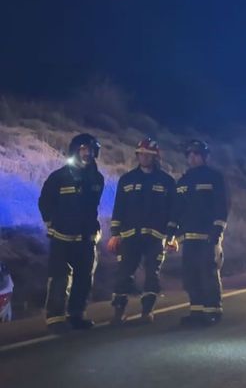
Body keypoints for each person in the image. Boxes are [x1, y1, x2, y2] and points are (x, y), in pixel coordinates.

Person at [38, 133, 105, 333]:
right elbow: (45, 202)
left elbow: (92, 206)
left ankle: (76, 315)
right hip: (62, 237)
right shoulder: (59, 177)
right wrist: (51, 222)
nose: (87, 153)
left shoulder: (97, 178)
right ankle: (55, 319)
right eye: (84, 149)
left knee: (84, 278)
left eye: (91, 150)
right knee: (59, 277)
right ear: (75, 150)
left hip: (86, 238)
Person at [107, 138, 176, 325]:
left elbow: (173, 211)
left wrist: (172, 236)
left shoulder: (167, 182)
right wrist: (115, 233)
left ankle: (147, 311)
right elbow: (118, 208)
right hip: (130, 236)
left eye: (149, 155)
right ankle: (118, 312)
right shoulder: (127, 180)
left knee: (152, 274)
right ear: (138, 155)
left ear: (155, 157)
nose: (144, 157)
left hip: (156, 237)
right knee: (124, 274)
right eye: (142, 154)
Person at [167, 140, 230, 326]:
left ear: (205, 156)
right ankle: (196, 311)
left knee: (208, 272)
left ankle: (213, 311)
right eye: (190, 154)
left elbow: (222, 205)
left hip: (208, 236)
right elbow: (176, 210)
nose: (193, 158)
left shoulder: (214, 178)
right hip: (188, 237)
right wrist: (171, 233)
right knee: (191, 275)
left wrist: (217, 231)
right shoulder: (183, 181)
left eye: (197, 154)